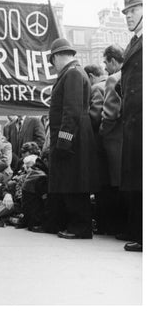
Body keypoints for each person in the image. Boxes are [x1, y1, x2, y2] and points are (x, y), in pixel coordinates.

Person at [46, 38, 98, 239]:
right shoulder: (73, 73)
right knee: (72, 181)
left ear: (58, 56)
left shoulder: (73, 74)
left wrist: (64, 141)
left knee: (75, 183)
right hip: (75, 137)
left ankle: (80, 227)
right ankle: (76, 225)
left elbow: (72, 112)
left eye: (53, 61)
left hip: (73, 139)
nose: (54, 66)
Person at [120, 0, 143, 252]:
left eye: (134, 9)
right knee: (137, 179)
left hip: (143, 120)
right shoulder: (135, 41)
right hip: (134, 121)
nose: (129, 15)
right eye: (127, 11)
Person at [100, 45, 127, 237]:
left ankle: (119, 227)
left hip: (114, 140)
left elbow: (110, 113)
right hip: (130, 138)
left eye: (105, 62)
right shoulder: (133, 74)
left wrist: (102, 132)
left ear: (113, 61)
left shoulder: (113, 79)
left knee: (116, 184)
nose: (105, 67)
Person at [84, 64, 110, 234]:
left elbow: (94, 116)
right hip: (111, 144)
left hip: (99, 145)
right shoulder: (111, 83)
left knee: (102, 186)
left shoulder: (96, 88)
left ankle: (105, 225)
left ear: (91, 76)